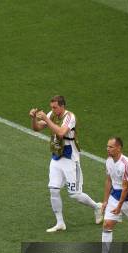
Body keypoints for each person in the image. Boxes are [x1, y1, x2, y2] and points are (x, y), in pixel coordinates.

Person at [29, 95, 102, 232]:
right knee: (53, 189)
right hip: (56, 157)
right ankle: (60, 223)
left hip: (70, 159)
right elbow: (37, 128)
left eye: (55, 107)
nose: (52, 110)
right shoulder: (52, 114)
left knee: (75, 195)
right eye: (51, 107)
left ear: (62, 106)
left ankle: (97, 207)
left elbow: (62, 132)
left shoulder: (70, 117)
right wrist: (33, 118)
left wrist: (46, 119)